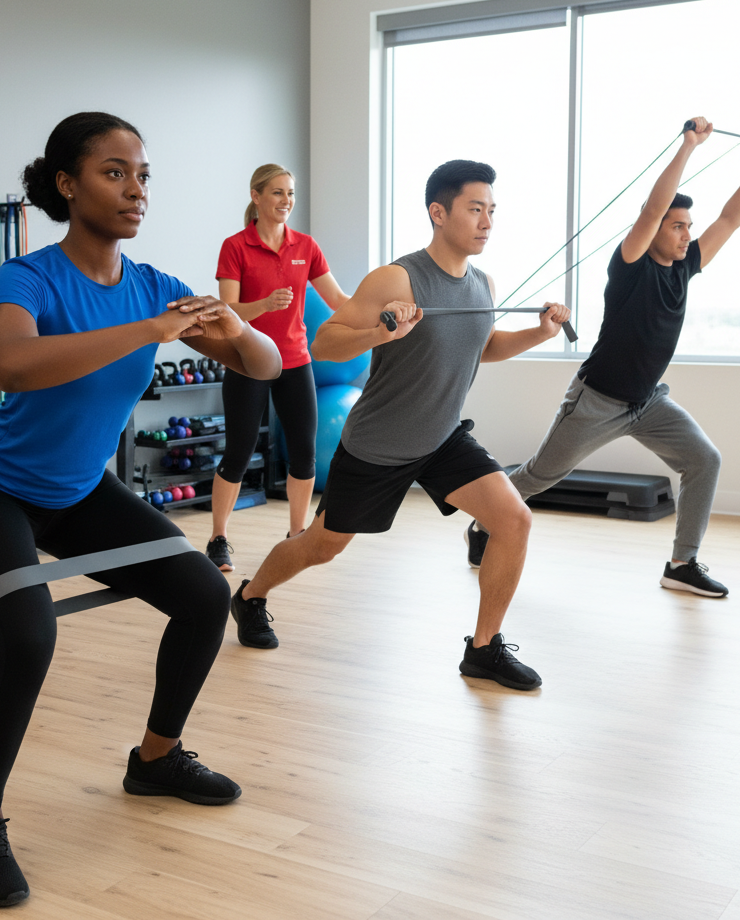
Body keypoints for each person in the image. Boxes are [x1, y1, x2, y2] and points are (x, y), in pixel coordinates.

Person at [0, 112, 281, 908]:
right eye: (114, 172)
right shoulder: (30, 278)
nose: (135, 189)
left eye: (143, 174)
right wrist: (147, 331)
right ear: (66, 184)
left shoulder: (154, 285)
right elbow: (12, 365)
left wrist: (233, 327)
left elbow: (261, 362)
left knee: (202, 595)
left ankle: (156, 759)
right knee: (26, 634)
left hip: (79, 492)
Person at [228, 159, 571, 691]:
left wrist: (539, 333)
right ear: (439, 212)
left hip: (441, 437)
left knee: (514, 520)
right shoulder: (398, 278)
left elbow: (483, 347)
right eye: (475, 209)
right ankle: (250, 597)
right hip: (377, 446)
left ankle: (483, 650)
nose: (487, 221)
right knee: (322, 545)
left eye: (492, 211)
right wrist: (383, 332)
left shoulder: (483, 284)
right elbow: (325, 343)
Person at [464, 117, 740, 598]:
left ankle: (682, 563)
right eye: (677, 226)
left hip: (648, 402)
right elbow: (652, 208)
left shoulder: (685, 267)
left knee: (704, 460)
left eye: (688, 226)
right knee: (540, 475)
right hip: (597, 401)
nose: (686, 234)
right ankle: (484, 522)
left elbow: (731, 218)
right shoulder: (629, 265)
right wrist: (689, 147)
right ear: (651, 232)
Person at [206, 164, 349, 571]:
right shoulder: (235, 246)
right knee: (237, 453)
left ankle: (296, 535)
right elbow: (227, 310)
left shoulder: (306, 246)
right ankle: (218, 538)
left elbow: (338, 298)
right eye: (277, 193)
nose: (286, 201)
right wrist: (264, 305)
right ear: (256, 196)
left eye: (290, 194)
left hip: (295, 360)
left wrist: (381, 310)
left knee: (304, 455)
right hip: (248, 359)